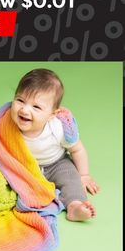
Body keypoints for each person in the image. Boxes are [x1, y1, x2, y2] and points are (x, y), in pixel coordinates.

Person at [10, 68, 100, 221]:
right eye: (20, 100)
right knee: (8, 183)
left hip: (56, 164)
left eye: (36, 107)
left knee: (71, 179)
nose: (24, 110)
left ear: (52, 114)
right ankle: (26, 205)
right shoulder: (7, 125)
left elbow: (77, 150)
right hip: (25, 168)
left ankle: (74, 207)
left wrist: (84, 175)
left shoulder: (58, 127)